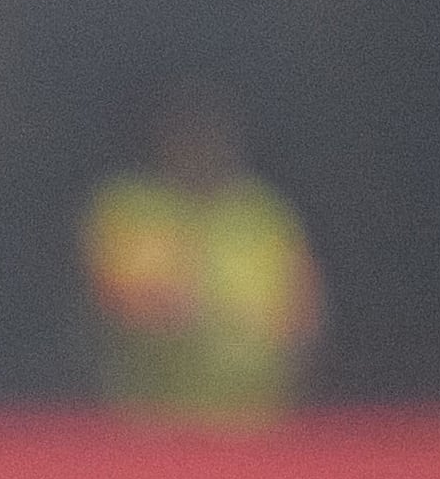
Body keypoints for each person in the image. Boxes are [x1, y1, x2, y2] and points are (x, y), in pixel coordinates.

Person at [85, 95, 322, 425]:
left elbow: (304, 312)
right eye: (188, 131)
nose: (199, 144)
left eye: (209, 131)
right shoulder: (129, 205)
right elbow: (115, 297)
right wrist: (166, 307)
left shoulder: (264, 211)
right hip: (153, 424)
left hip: (254, 422)